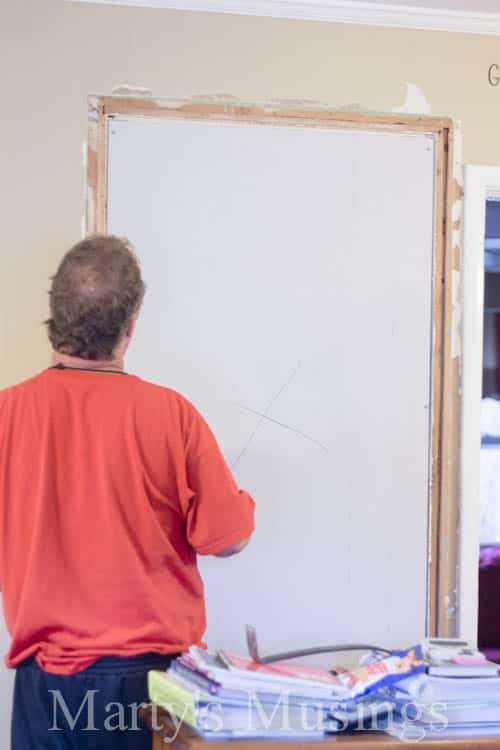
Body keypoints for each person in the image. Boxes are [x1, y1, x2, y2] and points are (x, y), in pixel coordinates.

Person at [0, 234, 255, 749]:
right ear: (129, 328)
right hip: (150, 685)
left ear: (54, 316)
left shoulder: (6, 416)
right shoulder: (171, 416)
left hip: (45, 687)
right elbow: (227, 539)